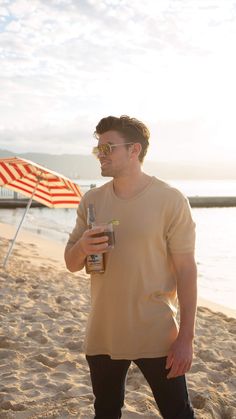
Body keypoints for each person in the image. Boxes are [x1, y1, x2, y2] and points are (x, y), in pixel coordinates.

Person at [64, 115, 197, 419]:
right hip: (103, 332)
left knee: (178, 413)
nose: (101, 154)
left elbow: (187, 270)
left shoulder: (171, 200)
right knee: (106, 412)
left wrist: (186, 338)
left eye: (108, 148)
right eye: (98, 149)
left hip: (157, 332)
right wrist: (83, 246)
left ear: (134, 150)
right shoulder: (92, 201)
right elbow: (71, 263)